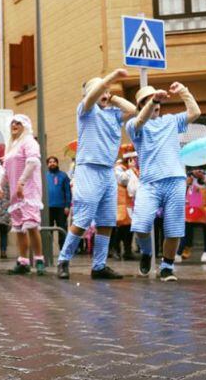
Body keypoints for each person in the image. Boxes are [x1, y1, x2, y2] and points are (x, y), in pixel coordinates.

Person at [56, 69, 136, 280]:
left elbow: (133, 109)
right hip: (88, 168)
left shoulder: (113, 114)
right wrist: (109, 79)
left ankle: (99, 266)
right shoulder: (85, 110)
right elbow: (92, 96)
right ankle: (63, 260)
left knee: (107, 221)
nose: (104, 93)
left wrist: (113, 95)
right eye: (101, 90)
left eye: (106, 91)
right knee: (82, 219)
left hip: (108, 171)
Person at [127, 83, 201, 281]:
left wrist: (184, 91)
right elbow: (140, 120)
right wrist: (154, 100)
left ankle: (167, 266)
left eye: (155, 99)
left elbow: (195, 112)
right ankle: (147, 253)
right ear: (140, 105)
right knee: (141, 226)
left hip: (175, 179)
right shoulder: (134, 125)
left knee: (174, 228)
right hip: (149, 183)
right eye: (146, 100)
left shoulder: (170, 120)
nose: (154, 103)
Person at [0, 115, 45, 275]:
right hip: (15, 193)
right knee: (19, 228)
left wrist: (22, 182)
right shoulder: (12, 146)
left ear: (25, 126)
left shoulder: (29, 142)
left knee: (31, 225)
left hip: (28, 191)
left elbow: (33, 162)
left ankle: (39, 260)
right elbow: (4, 170)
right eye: (12, 123)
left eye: (18, 123)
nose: (15, 125)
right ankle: (23, 261)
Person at [179, 167, 206, 264]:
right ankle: (185, 247)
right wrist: (191, 175)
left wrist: (203, 176)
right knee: (188, 225)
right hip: (193, 200)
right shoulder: (187, 169)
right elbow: (183, 183)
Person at [46, 155, 72, 251]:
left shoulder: (63, 176)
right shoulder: (44, 175)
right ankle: (47, 251)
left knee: (62, 230)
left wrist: (67, 206)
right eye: (50, 162)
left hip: (61, 207)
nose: (52, 163)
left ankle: (63, 251)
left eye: (54, 162)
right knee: (48, 231)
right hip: (47, 208)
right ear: (47, 164)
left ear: (57, 163)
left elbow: (68, 192)